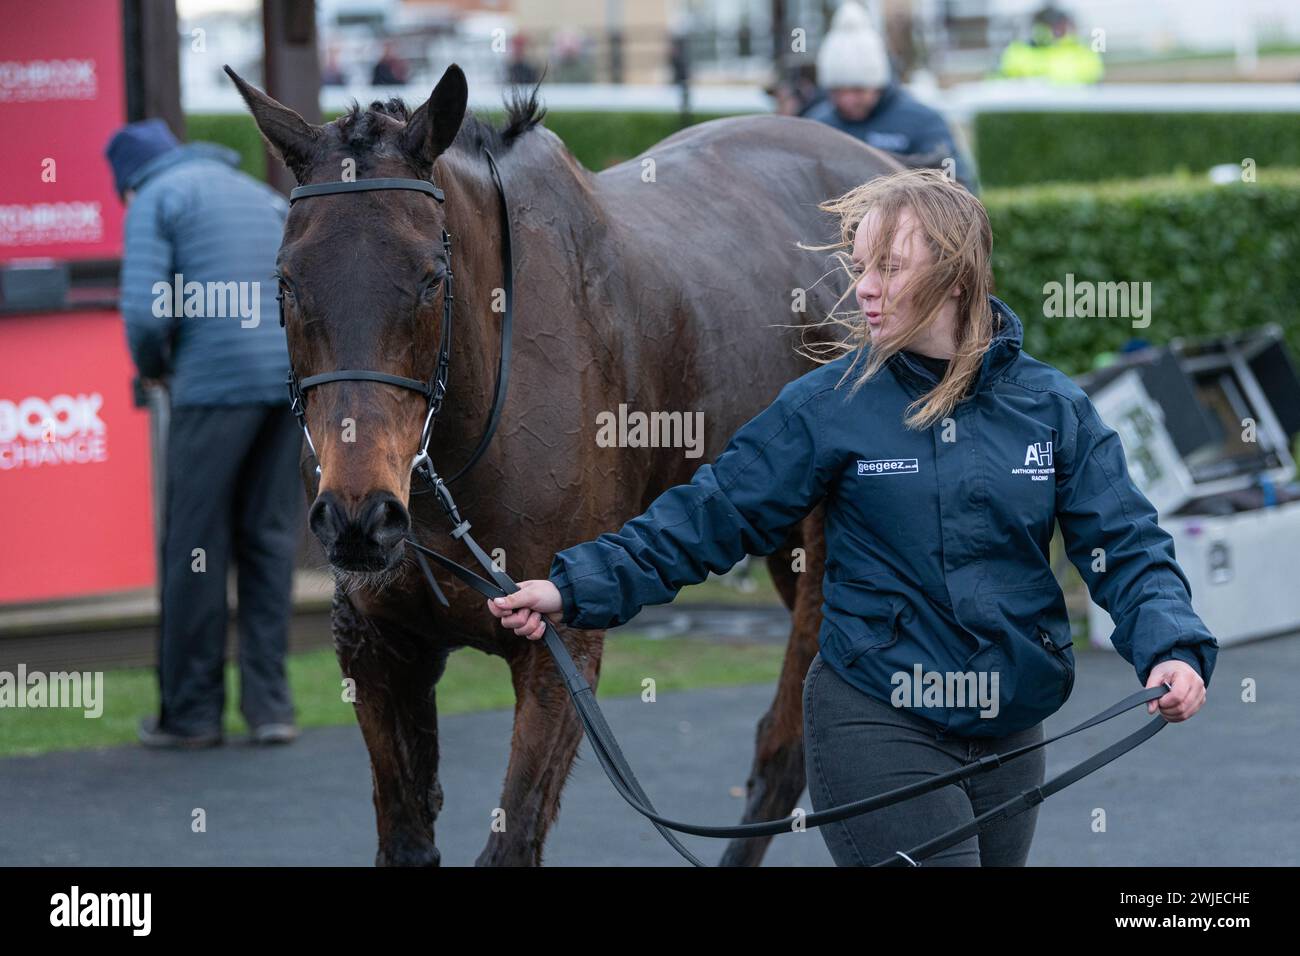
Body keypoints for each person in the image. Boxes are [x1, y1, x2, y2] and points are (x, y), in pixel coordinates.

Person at [485, 168, 1217, 866]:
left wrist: (1171, 646)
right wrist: (571, 587)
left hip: (1011, 724)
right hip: (877, 718)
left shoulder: (1052, 408)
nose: (862, 289)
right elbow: (711, 515)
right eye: (859, 266)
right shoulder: (828, 403)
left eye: (888, 268)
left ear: (956, 277)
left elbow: (1123, 543)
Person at [105, 118, 302, 749]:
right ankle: (271, 708)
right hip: (283, 389)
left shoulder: (155, 199)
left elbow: (142, 311)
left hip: (213, 391)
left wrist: (158, 369)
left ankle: (191, 715)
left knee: (195, 549)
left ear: (128, 182)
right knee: (269, 544)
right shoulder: (256, 192)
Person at [802, 1, 978, 193]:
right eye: (838, 91)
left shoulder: (922, 122)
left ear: (878, 85)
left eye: (857, 90)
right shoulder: (815, 124)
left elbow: (959, 188)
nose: (847, 100)